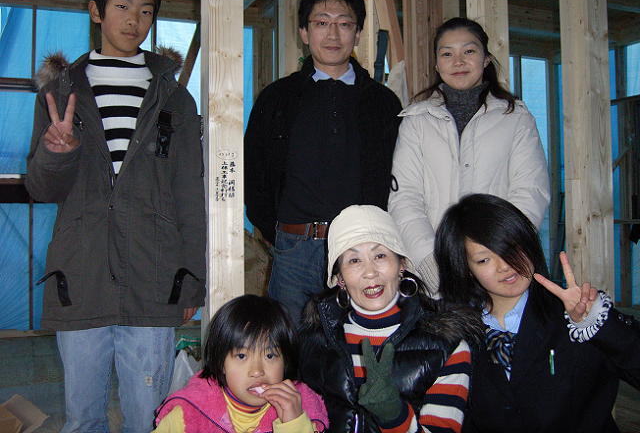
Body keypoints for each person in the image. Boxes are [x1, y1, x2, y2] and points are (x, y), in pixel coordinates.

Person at [25, 0, 206, 432]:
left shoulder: (175, 99)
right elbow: (42, 188)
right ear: (96, 12)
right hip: (81, 274)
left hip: (153, 276)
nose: (134, 20)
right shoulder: (60, 93)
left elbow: (190, 194)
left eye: (146, 11)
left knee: (148, 418)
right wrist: (56, 152)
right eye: (122, 6)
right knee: (83, 418)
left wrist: (192, 278)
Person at [244, 0, 402, 325]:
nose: (333, 34)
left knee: (358, 343)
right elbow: (253, 174)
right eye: (321, 23)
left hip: (361, 249)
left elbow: (398, 178)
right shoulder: (277, 98)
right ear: (304, 32)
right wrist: (279, 234)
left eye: (344, 24)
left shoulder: (383, 102)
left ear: (357, 33)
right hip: (294, 248)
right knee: (292, 346)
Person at [435, 193, 640, 433]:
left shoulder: (575, 317)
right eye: (484, 260)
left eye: (510, 248)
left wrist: (599, 324)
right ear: (465, 268)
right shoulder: (456, 334)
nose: (504, 266)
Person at [388, 17, 550, 296]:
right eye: (447, 54)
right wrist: (432, 261)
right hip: (435, 274)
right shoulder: (416, 120)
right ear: (437, 65)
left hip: (502, 267)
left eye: (469, 51)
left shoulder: (516, 118)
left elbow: (531, 192)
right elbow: (405, 198)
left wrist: (496, 254)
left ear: (486, 59)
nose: (458, 61)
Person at [298, 204, 483, 432]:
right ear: (340, 278)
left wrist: (395, 416)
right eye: (354, 260)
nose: (370, 272)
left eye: (380, 255)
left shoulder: (447, 344)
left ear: (401, 265)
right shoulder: (316, 341)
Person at [153, 295, 328, 432]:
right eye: (242, 356)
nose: (257, 371)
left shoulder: (300, 406)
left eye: (270, 355)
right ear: (221, 362)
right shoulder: (188, 413)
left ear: (286, 361)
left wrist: (294, 423)